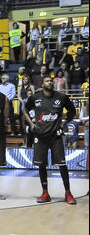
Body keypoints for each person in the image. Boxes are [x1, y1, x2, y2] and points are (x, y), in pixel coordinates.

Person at [22, 75, 77, 205]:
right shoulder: (35, 97)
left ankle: (68, 193)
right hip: (40, 137)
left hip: (56, 137)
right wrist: (31, 124)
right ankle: (45, 192)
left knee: (62, 165)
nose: (50, 82)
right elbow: (25, 110)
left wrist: (64, 123)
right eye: (47, 80)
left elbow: (72, 111)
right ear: (42, 84)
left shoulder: (61, 97)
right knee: (41, 165)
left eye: (51, 80)